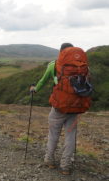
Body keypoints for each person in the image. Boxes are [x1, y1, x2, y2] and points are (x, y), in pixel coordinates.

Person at [30, 43, 81, 175]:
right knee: (70, 136)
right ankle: (66, 166)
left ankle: (49, 160)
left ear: (61, 52)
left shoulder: (54, 65)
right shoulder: (81, 67)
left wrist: (34, 89)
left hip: (58, 107)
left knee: (53, 134)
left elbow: (43, 81)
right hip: (75, 107)